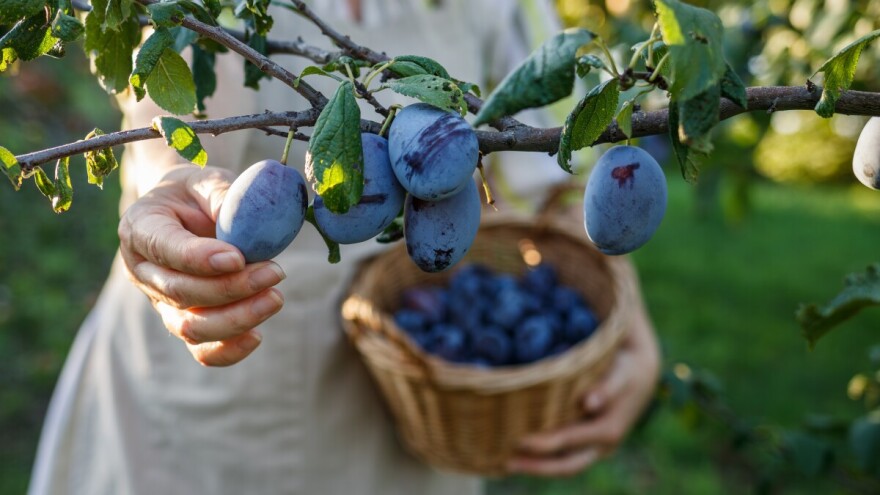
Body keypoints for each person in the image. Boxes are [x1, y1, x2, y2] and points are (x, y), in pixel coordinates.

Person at [28, 1, 661, 493]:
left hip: (411, 397)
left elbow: (561, 163)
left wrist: (623, 314)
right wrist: (174, 181)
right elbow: (184, 115)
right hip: (207, 402)